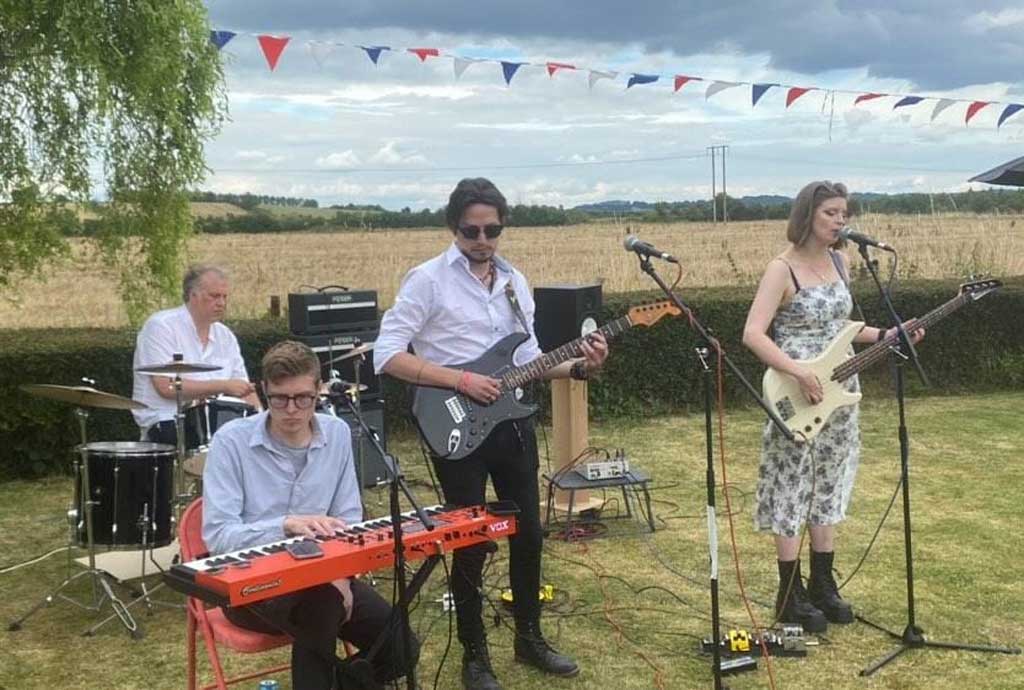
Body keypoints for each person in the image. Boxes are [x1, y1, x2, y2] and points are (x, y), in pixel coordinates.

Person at [374, 177, 608, 690]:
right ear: (453, 227)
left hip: (511, 425)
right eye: (471, 231)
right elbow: (386, 354)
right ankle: (474, 654)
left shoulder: (514, 281)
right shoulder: (427, 280)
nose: (482, 240)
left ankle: (530, 637)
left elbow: (530, 360)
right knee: (472, 541)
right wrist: (459, 380)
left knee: (529, 534)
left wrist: (579, 367)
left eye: (492, 230)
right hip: (454, 423)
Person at [742, 180, 923, 633]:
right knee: (792, 485)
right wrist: (799, 372)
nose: (841, 220)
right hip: (795, 390)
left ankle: (823, 584)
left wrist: (888, 335)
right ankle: (790, 594)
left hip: (840, 390)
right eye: (831, 212)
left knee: (830, 481)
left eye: (844, 213)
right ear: (807, 216)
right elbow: (753, 334)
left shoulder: (841, 262)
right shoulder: (782, 269)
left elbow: (843, 327)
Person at [202, 340, 418, 690]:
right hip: (251, 586)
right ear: (263, 390)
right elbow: (218, 536)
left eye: (303, 398)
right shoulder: (231, 442)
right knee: (323, 606)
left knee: (401, 647)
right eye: (279, 399)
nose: (291, 409)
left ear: (319, 391)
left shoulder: (337, 433)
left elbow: (348, 517)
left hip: (326, 575)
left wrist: (342, 577)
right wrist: (285, 526)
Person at [131, 264, 260, 444]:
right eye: (214, 296)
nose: (222, 303)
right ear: (193, 295)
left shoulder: (225, 336)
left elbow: (243, 389)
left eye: (224, 297)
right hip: (167, 421)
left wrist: (262, 420)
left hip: (218, 423)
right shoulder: (161, 326)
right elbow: (165, 386)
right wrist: (223, 386)